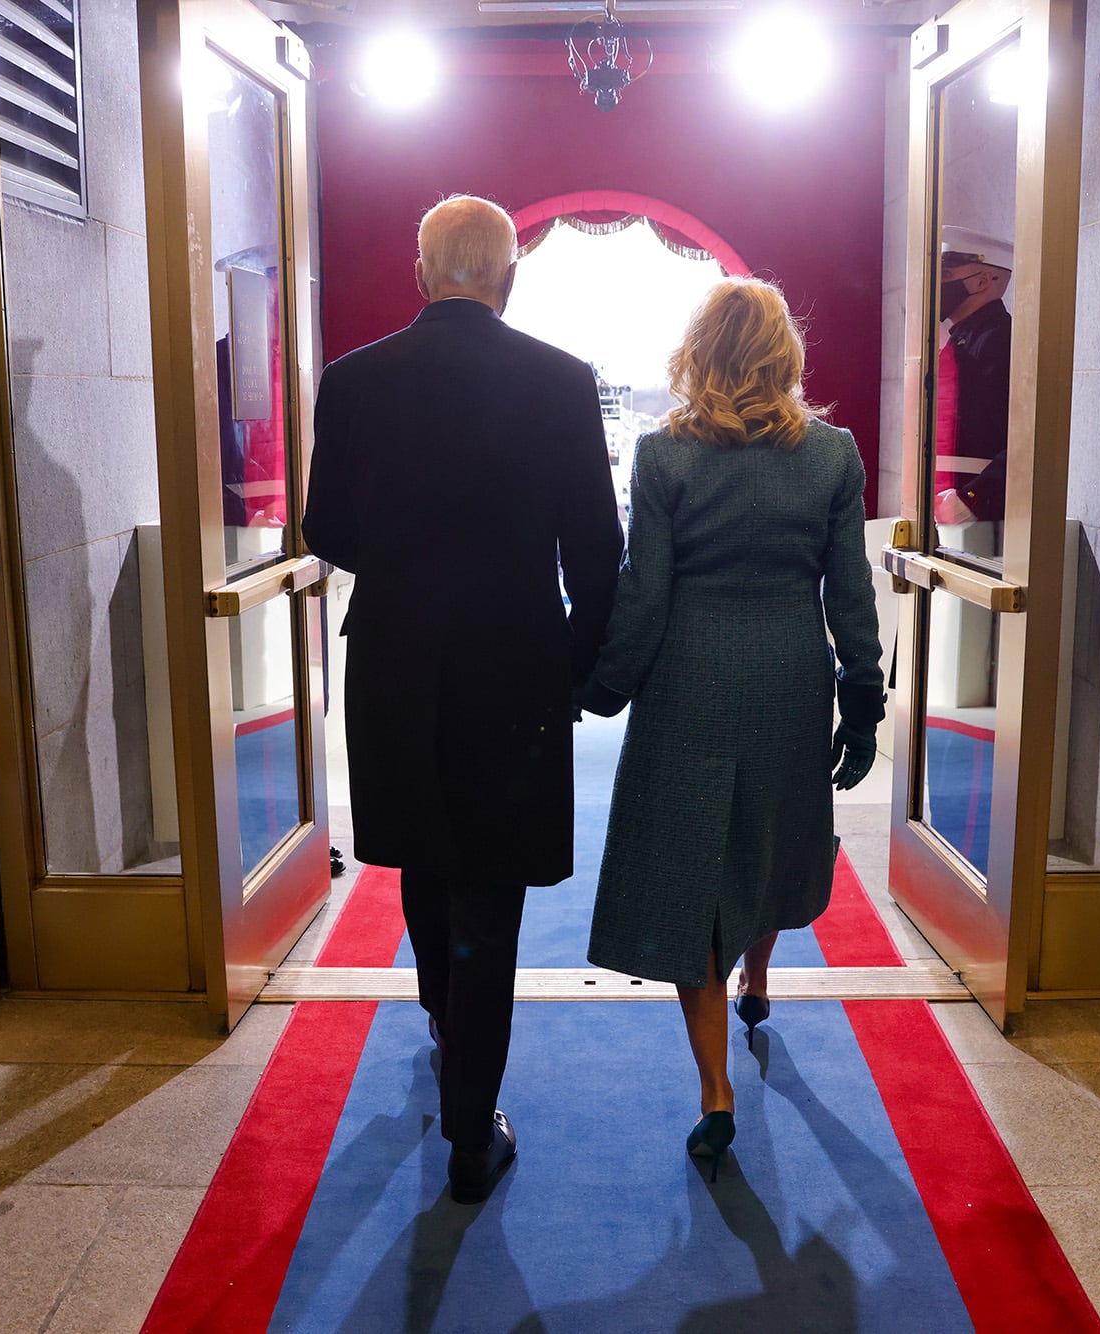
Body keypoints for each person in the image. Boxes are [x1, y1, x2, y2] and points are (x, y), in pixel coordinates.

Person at [302, 195, 624, 1204]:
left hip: (393, 663)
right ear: (507, 275)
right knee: (489, 887)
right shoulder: (561, 382)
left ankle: (443, 1023)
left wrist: (405, 577)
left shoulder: (351, 380)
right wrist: (567, 665)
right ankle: (470, 1128)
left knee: (422, 856)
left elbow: (324, 528)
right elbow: (597, 554)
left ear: (419, 271)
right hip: (511, 671)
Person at [577, 277, 885, 1174]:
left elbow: (645, 594)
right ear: (785, 353)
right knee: (769, 834)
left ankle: (714, 1088)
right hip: (790, 676)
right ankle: (760, 977)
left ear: (698, 352)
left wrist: (601, 689)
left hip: (689, 682)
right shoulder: (832, 454)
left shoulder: (665, 454)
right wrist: (860, 700)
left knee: (690, 873)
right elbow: (851, 593)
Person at [931, 227, 1013, 530]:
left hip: (980, 519)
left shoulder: (1000, 339)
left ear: (983, 281)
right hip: (951, 508)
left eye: (948, 275)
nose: (938, 284)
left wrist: (974, 498)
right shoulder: (964, 340)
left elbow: (1027, 436)